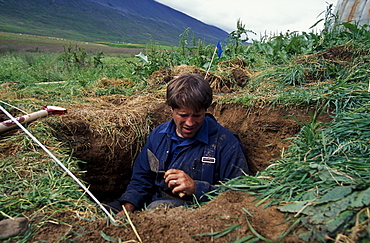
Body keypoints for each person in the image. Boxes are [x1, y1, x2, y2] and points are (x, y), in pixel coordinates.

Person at [108, 73, 250, 217]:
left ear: (205, 110)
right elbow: (141, 179)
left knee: (156, 208)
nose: (190, 123)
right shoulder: (159, 135)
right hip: (151, 202)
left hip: (196, 213)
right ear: (172, 110)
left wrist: (197, 188)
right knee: (103, 211)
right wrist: (128, 207)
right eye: (183, 115)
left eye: (197, 115)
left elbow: (241, 192)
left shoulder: (225, 143)